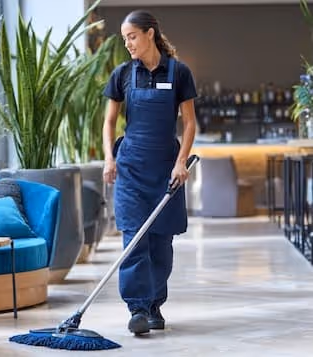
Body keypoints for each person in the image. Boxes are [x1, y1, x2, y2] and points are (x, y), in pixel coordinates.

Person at [102, 10, 197, 335]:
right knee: (133, 239)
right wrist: (108, 160)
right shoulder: (123, 75)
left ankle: (155, 304)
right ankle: (138, 309)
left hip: (165, 169)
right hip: (129, 168)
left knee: (161, 243)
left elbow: (189, 122)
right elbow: (109, 122)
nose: (127, 43)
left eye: (132, 36)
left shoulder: (179, 72)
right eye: (124, 37)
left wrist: (181, 161)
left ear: (150, 34)